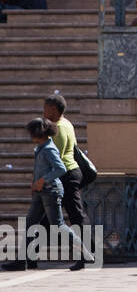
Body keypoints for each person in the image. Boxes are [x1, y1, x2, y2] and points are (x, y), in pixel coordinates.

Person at [16, 119, 88, 271]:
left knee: (58, 226)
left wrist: (43, 180)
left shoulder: (49, 149)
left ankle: (84, 252)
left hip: (51, 192)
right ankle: (22, 260)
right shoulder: (41, 148)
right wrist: (35, 182)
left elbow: (60, 168)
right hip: (40, 192)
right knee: (30, 223)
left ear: (38, 133)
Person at [39, 93, 87, 237]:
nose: (44, 112)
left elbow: (55, 160)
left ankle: (93, 255)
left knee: (76, 217)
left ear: (54, 109)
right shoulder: (67, 123)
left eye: (46, 108)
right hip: (70, 173)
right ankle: (27, 257)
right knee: (46, 221)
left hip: (65, 177)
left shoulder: (56, 129)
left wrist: (42, 180)